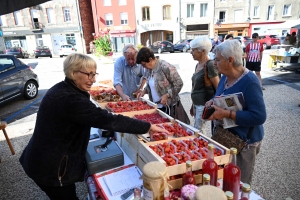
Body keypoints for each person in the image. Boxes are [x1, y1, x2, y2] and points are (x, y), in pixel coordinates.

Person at [19, 53, 167, 200]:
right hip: (51, 167)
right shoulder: (70, 99)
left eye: (94, 74)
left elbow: (93, 116)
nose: (94, 79)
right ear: (73, 73)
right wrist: (147, 127)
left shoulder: (63, 88)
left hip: (43, 158)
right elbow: (108, 120)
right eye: (89, 75)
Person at [207, 39, 266, 184]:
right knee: (223, 180)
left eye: (218, 59)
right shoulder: (225, 77)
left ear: (230, 60)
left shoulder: (250, 81)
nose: (214, 62)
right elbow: (220, 96)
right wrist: (213, 102)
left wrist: (227, 114)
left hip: (244, 143)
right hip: (225, 137)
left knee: (237, 183)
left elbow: (259, 116)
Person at [136, 47, 183, 115]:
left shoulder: (165, 66)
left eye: (144, 64)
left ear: (150, 59)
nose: (143, 67)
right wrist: (144, 91)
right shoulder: (149, 69)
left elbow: (179, 83)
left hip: (170, 107)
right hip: (157, 106)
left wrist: (167, 95)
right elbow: (151, 84)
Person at [189, 36, 220, 135]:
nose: (191, 53)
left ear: (202, 51)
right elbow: (196, 87)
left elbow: (218, 87)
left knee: (198, 132)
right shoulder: (198, 65)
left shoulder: (209, 65)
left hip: (204, 105)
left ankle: (201, 149)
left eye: (193, 50)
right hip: (197, 104)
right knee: (197, 130)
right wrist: (193, 104)